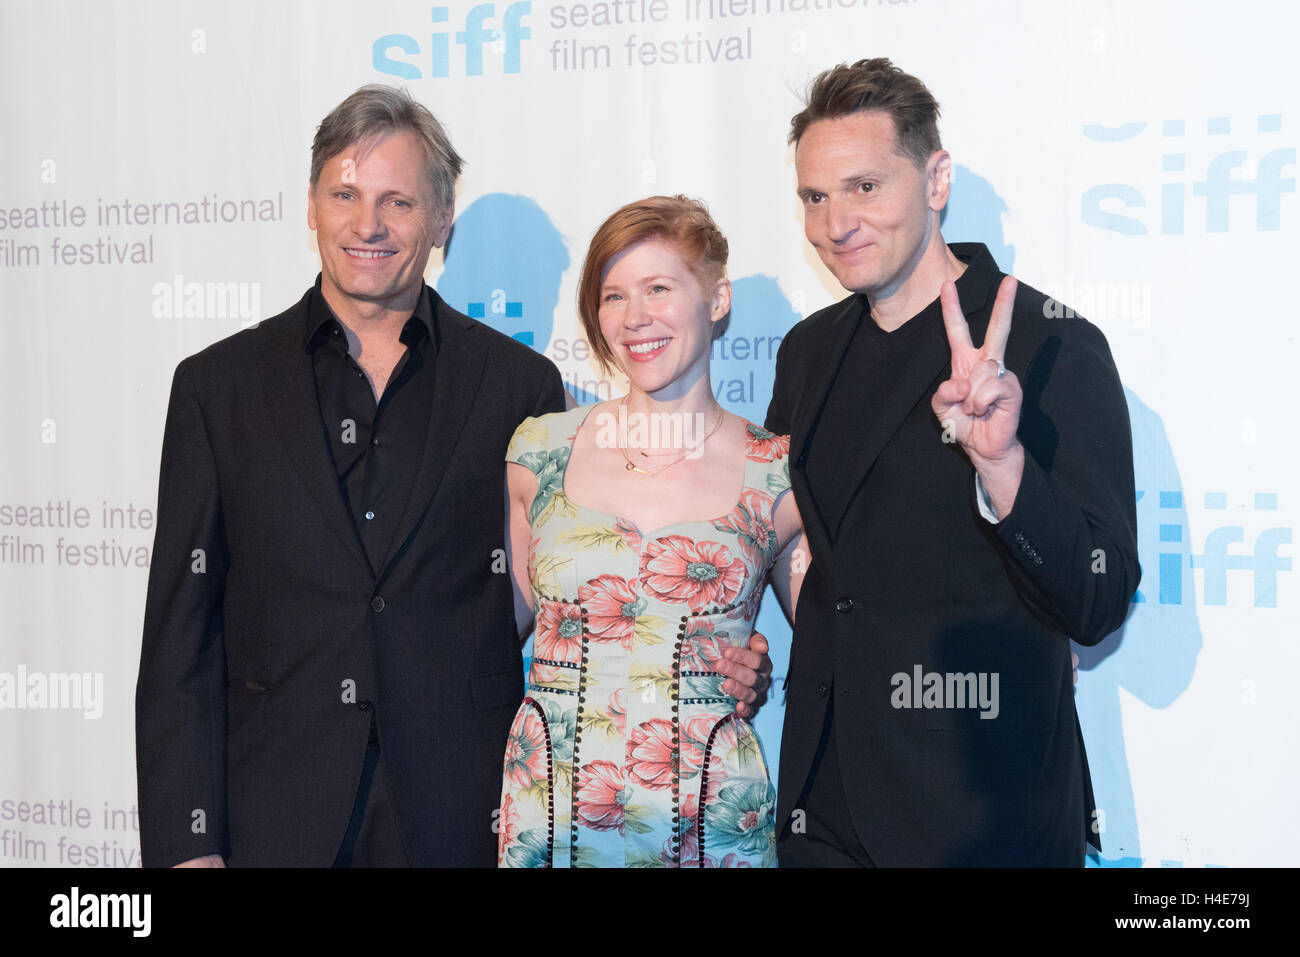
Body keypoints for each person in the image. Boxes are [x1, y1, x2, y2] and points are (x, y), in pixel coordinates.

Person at [133, 85, 773, 868]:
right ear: (311, 207)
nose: (367, 224)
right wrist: (187, 846)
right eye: (345, 195)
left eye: (397, 201)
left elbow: (573, 596)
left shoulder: (518, 393)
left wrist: (718, 650)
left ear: (441, 223)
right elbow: (179, 647)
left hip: (466, 816)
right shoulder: (218, 387)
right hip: (274, 814)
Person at [766, 59, 1139, 866]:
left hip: (984, 813)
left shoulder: (1051, 342)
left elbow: (1099, 598)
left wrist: (1002, 464)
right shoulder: (806, 353)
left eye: (864, 187)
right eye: (815, 196)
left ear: (936, 179)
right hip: (822, 809)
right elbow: (811, 554)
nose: (836, 223)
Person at [496, 196, 805, 867]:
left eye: (659, 288)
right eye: (613, 295)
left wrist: (759, 666)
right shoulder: (538, 453)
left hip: (714, 822)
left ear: (716, 299)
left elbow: (846, 636)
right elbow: (480, 634)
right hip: (551, 817)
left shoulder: (775, 471)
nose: (634, 317)